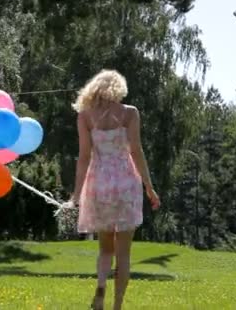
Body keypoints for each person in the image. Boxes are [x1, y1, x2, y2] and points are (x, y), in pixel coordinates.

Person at [65, 69, 160, 310]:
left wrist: (76, 195)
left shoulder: (85, 117)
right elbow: (136, 151)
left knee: (105, 248)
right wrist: (149, 186)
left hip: (99, 184)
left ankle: (100, 288)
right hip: (126, 182)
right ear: (118, 88)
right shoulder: (129, 113)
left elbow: (84, 158)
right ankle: (117, 306)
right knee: (124, 253)